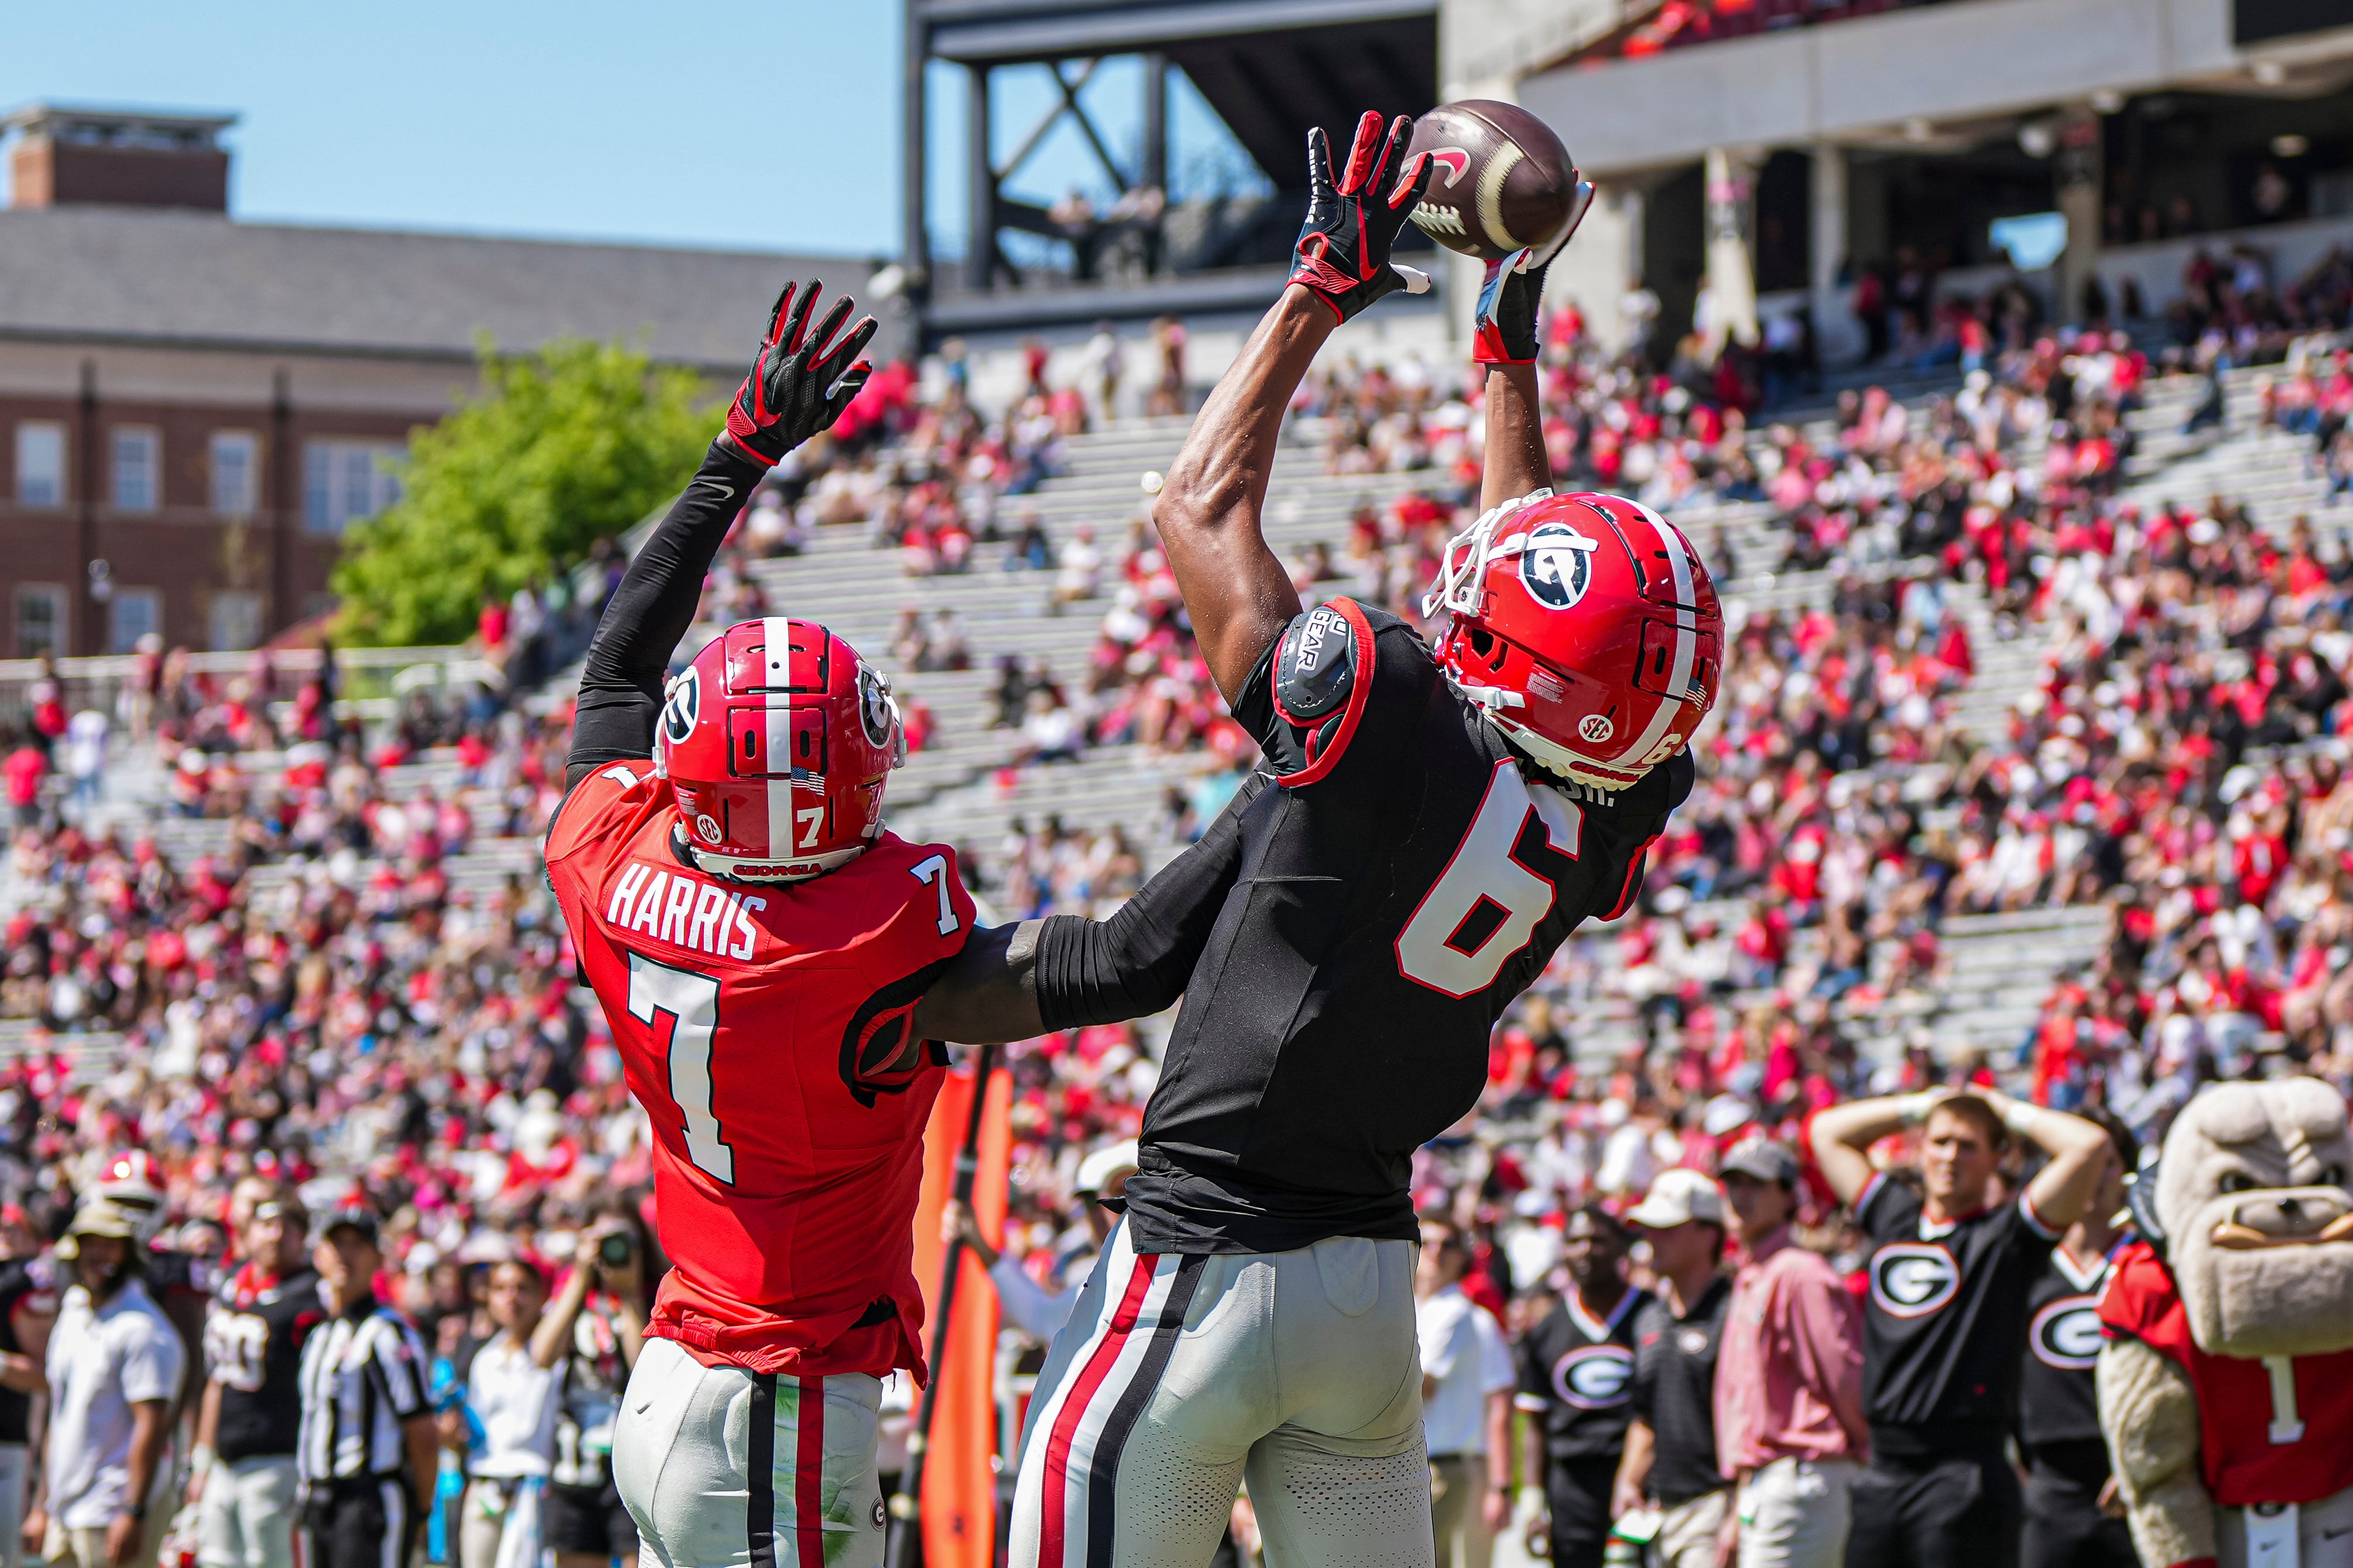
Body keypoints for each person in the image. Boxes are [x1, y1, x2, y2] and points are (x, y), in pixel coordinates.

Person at [912, 108, 1703, 1568]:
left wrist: (1317, 289)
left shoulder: (1383, 699)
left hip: (1202, 1267)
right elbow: (1533, 607)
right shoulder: (1605, 818)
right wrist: (1504, 337)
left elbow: (1193, 505)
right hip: (1362, 1300)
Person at [541, 279, 971, 1568]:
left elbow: (616, 668)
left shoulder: (607, 859)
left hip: (684, 1372)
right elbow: (1115, 962)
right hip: (768, 1399)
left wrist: (738, 448)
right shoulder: (862, 934)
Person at [1807, 1087, 2112, 1568]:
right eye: (1939, 1141)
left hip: (1963, 1474)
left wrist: (2004, 1109)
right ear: (1919, 1147)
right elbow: (1826, 1132)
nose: (1950, 1156)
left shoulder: (2006, 1237)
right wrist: (1920, 1104)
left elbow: (2088, 1146)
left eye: (1968, 1145)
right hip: (1882, 1472)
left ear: (1998, 1156)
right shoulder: (1894, 1216)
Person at [1712, 1140, 1866, 1568]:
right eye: (1733, 1184)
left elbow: (1841, 1376)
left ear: (1787, 1196)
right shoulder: (1756, 1272)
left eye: (1755, 1184)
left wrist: (1862, 1449)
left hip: (1805, 1473)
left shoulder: (1799, 1273)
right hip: (1774, 1479)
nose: (1740, 1196)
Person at [30, 1197, 186, 1568]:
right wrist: (42, 1505)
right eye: (90, 1244)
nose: (98, 1255)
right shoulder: (74, 1314)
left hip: (109, 1509)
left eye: (109, 1244)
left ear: (128, 1254)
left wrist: (132, 1510)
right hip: (66, 1509)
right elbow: (62, 1413)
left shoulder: (143, 1329)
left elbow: (152, 1425)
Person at [2014, 1111, 2138, 1568]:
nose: (2091, 1176)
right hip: (2049, 1488)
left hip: (2134, 1483)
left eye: (2105, 1162)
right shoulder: (2023, 1265)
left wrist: (2142, 1463)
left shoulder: (2148, 1264)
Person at [296, 1206, 437, 1568]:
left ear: (378, 1257)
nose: (346, 1254)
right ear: (319, 1255)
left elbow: (421, 1429)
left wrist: (422, 1509)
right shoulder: (321, 1334)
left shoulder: (389, 1333)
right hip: (319, 1497)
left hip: (368, 1500)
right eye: (336, 1244)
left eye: (357, 1245)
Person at [190, 1192, 320, 1568]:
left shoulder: (312, 1294)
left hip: (277, 1458)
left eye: (288, 1227)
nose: (276, 1236)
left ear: (303, 1237)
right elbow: (219, 1379)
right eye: (267, 1225)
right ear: (248, 1232)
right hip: (224, 1460)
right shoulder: (234, 1286)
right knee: (214, 1559)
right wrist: (202, 1457)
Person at [1612, 1171, 1734, 1568]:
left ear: (1708, 1234)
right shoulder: (1649, 1318)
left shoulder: (1734, 1310)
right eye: (1649, 1229)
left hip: (1716, 1504)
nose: (1652, 1240)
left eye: (1667, 1229)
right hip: (1659, 1510)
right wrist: (1630, 1478)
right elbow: (1645, 1414)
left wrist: (1736, 1507)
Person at [1516, 1207, 1649, 1568]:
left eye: (1599, 1241)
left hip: (1642, 1477)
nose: (1587, 1250)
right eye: (1576, 1241)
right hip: (1572, 1483)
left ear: (1622, 1248)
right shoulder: (1547, 1330)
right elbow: (1536, 1425)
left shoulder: (1653, 1317)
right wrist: (1532, 1500)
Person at [529, 1218, 647, 1568]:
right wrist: (579, 1277)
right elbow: (542, 1355)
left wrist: (629, 1294)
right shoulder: (574, 1300)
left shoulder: (651, 1298)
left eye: (622, 1241)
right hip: (573, 1466)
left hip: (631, 1467)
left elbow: (643, 1369)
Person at [947, 1142, 1137, 1345]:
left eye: (1123, 1192)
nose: (1099, 1213)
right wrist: (980, 1243)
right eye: (1090, 1203)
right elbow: (1042, 1315)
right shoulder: (1100, 1276)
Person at [1414, 1220, 1514, 1568]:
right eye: (1427, 1242)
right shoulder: (1407, 1308)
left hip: (1447, 1463)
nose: (1436, 1252)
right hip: (1412, 1464)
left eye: (1448, 1244)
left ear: (1462, 1255)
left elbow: (1500, 1406)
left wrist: (1500, 1485)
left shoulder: (1465, 1316)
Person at [454, 1259, 556, 1568]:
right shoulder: (484, 1357)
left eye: (522, 1289)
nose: (511, 1298)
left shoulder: (556, 1354)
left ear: (542, 1295)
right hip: (485, 1483)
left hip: (532, 1485)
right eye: (500, 1289)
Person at [0, 1212, 57, 1568]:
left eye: (14, 1227)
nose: (5, 1233)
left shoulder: (26, 1280)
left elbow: (46, 1375)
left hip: (11, 1445)